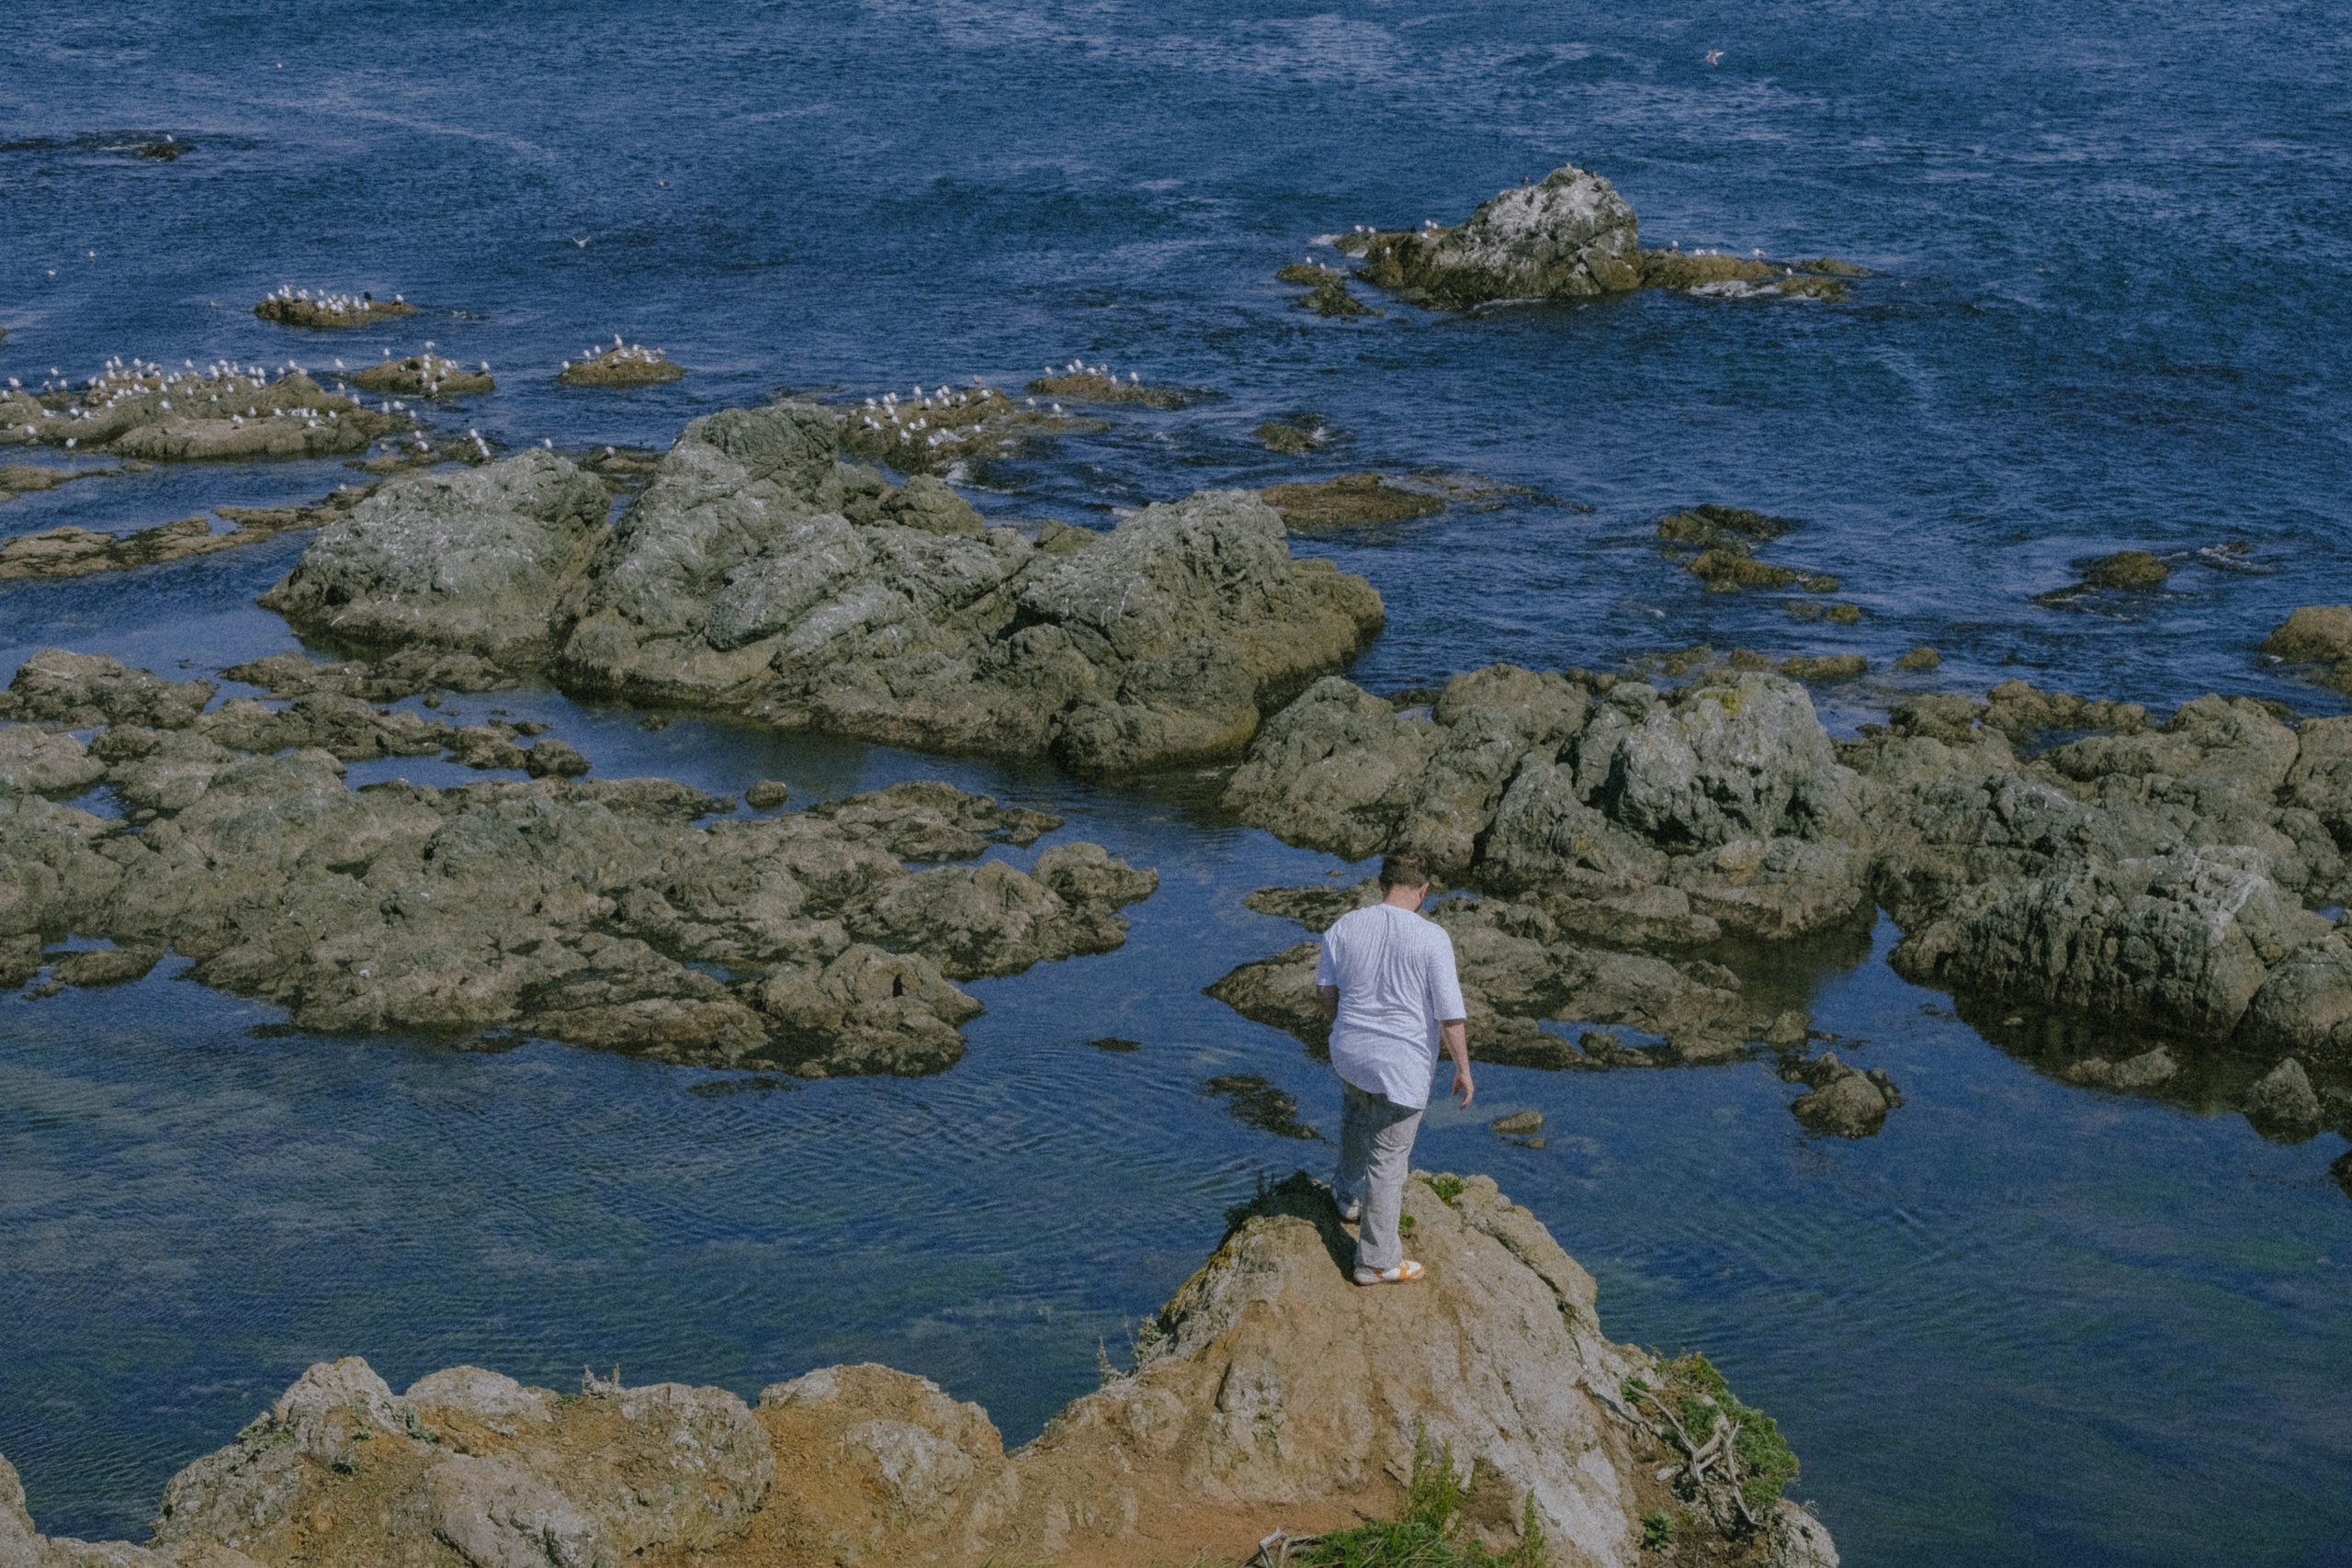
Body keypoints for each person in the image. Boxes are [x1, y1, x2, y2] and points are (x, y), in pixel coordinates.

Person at [1316, 849, 1471, 1285]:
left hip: (1349, 1052)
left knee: (1355, 1115)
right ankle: (1377, 1261)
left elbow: (1325, 994)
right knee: (1387, 1159)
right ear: (1424, 890)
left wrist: (1342, 1028)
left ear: (1382, 883)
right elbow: (1450, 1015)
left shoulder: (1344, 925)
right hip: (1400, 1065)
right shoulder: (1431, 937)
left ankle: (1346, 1195)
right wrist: (1463, 1068)